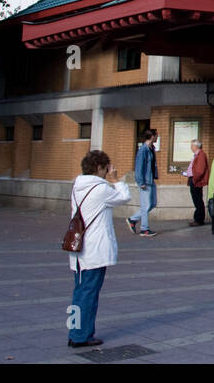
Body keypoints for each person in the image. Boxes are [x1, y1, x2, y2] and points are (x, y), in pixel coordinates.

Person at [67, 149, 132, 348]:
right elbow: (124, 197)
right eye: (105, 168)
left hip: (79, 250)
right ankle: (82, 336)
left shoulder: (77, 186)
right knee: (89, 293)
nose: (107, 172)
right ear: (98, 168)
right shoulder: (100, 189)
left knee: (79, 293)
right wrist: (116, 179)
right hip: (94, 250)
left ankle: (74, 332)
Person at [127, 129, 159, 237]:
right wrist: (141, 182)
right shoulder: (143, 150)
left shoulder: (151, 148)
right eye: (156, 136)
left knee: (153, 203)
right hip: (145, 181)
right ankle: (144, 229)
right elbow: (139, 167)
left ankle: (133, 219)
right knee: (146, 206)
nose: (157, 137)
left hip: (151, 180)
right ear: (152, 136)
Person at [185, 139, 209, 226]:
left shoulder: (201, 155)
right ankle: (198, 219)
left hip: (196, 181)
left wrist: (195, 178)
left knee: (198, 200)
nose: (191, 147)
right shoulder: (196, 155)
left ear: (196, 146)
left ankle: (199, 219)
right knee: (197, 199)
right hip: (194, 179)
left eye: (192, 145)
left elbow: (200, 170)